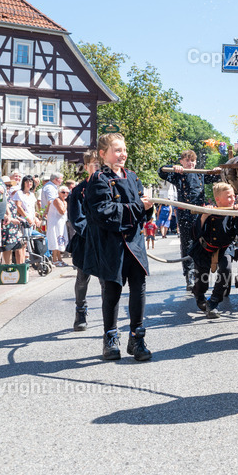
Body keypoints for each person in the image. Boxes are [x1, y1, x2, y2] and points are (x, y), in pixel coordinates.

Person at [81, 134, 154, 362]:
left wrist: (148, 206)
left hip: (135, 243)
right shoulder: (98, 179)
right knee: (112, 291)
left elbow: (142, 211)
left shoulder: (132, 176)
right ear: (103, 154)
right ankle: (110, 338)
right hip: (111, 244)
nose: (122, 154)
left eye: (124, 150)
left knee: (139, 288)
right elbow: (104, 213)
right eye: (117, 150)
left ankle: (137, 337)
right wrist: (137, 206)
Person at [187, 182, 238, 319]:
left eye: (233, 196)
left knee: (226, 269)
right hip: (204, 249)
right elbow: (193, 234)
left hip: (224, 248)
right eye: (228, 197)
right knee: (201, 282)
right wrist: (204, 215)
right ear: (218, 200)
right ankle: (200, 297)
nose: (233, 199)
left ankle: (214, 301)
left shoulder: (234, 212)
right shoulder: (207, 211)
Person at [158, 150, 221, 291]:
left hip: (200, 213)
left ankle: (202, 272)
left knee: (204, 241)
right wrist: (173, 167)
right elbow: (161, 171)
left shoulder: (200, 173)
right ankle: (189, 275)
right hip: (185, 213)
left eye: (192, 160)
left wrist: (217, 171)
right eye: (187, 160)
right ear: (181, 162)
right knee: (187, 244)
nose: (190, 163)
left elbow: (216, 177)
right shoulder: (177, 175)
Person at [69, 152, 104, 332]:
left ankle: (108, 315)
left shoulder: (109, 186)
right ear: (86, 166)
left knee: (106, 279)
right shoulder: (78, 190)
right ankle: (80, 311)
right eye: (93, 164)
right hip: (85, 240)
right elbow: (75, 218)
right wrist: (90, 233)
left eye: (99, 163)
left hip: (105, 240)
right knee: (82, 278)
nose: (97, 166)